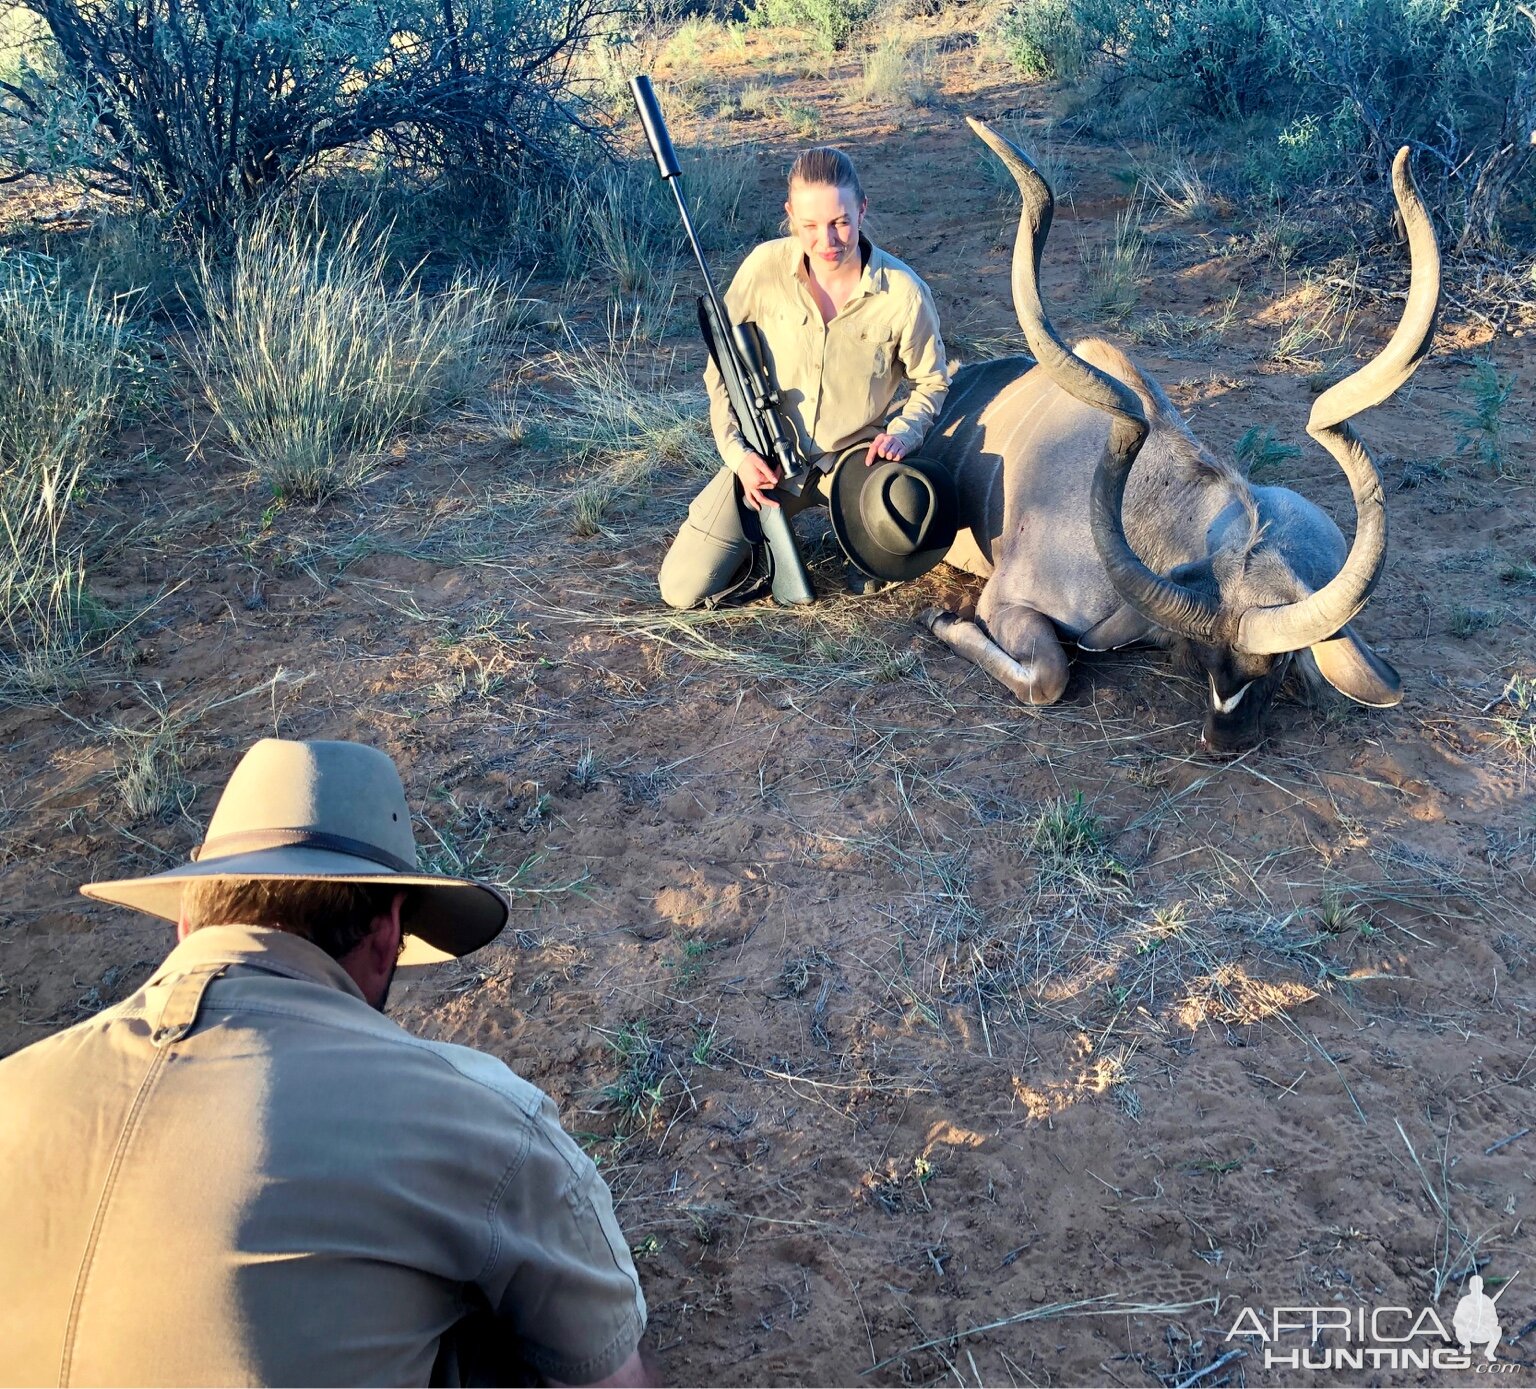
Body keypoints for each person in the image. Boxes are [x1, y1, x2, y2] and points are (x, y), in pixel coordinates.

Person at [0, 738, 652, 1388]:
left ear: (186, 920)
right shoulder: (477, 1116)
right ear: (390, 930)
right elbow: (609, 1378)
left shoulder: (16, 1089)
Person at [658, 145, 952, 609]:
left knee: (901, 530)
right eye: (810, 225)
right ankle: (762, 545)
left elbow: (932, 382)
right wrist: (738, 457)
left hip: (856, 461)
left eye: (840, 221)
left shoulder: (905, 293)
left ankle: (863, 551)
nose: (827, 241)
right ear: (790, 215)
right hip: (769, 457)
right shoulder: (762, 268)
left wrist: (903, 432)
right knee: (682, 588)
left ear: (862, 209)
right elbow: (723, 371)